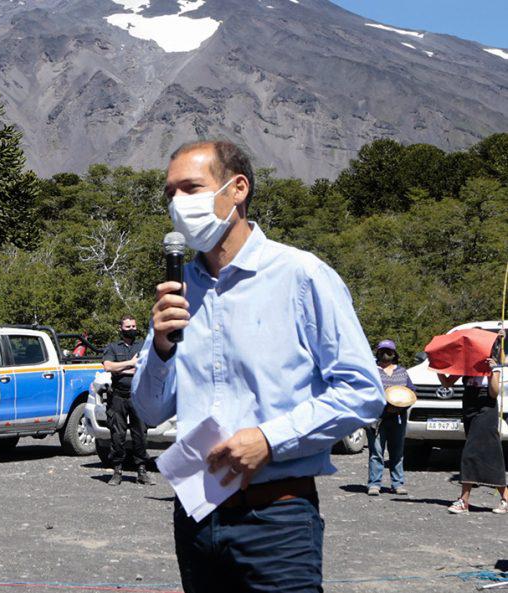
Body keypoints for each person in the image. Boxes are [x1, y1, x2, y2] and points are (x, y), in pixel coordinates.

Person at [132, 140, 384, 593]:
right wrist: (162, 349)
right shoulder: (177, 290)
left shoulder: (301, 275)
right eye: (170, 194)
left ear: (238, 189)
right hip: (196, 516)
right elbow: (149, 412)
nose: (178, 204)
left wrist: (271, 439)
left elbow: (363, 390)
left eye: (191, 188)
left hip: (277, 518)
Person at [440, 332, 506, 514]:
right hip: (469, 407)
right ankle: (506, 497)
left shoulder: (494, 364)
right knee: (490, 452)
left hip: (486, 408)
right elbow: (447, 383)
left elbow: (493, 393)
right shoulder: (467, 363)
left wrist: (494, 370)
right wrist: (437, 364)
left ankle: (464, 500)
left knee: (471, 451)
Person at [102, 315, 151, 486]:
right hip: (118, 396)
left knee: (141, 435)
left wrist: (121, 368)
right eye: (128, 327)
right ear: (121, 328)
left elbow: (147, 367)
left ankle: (142, 471)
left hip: (138, 396)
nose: (132, 329)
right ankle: (117, 471)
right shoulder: (113, 347)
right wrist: (131, 363)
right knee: (117, 434)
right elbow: (108, 366)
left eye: (134, 326)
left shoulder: (143, 345)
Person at [366, 339, 414, 496]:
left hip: (398, 418)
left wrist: (400, 406)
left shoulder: (402, 372)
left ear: (394, 354)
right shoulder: (371, 371)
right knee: (376, 452)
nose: (386, 354)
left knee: (397, 452)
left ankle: (398, 484)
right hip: (376, 418)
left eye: (389, 351)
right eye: (383, 351)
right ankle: (374, 484)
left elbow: (411, 393)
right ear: (377, 353)